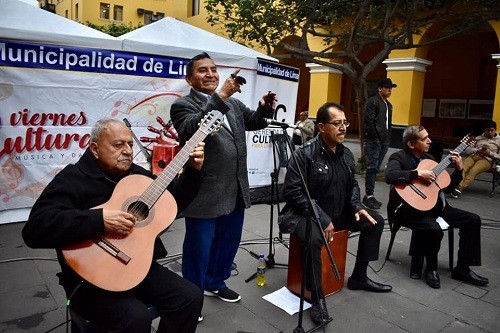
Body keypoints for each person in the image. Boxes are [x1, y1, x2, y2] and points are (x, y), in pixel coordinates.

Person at [22, 118, 206, 333]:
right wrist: (99, 220)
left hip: (136, 265)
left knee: (190, 297)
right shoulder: (72, 179)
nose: (127, 151)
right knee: (136, 318)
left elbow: (170, 205)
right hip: (89, 277)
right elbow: (35, 229)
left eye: (129, 144)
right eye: (118, 145)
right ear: (95, 148)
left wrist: (193, 171)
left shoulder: (138, 175)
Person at [170, 52, 276, 304]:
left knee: (228, 244)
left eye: (213, 69)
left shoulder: (234, 105)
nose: (210, 74)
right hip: (204, 192)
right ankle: (191, 299)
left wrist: (264, 108)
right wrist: (220, 97)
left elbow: (254, 122)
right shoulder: (183, 105)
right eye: (202, 70)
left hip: (235, 188)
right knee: (199, 250)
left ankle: (215, 282)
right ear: (189, 78)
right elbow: (191, 129)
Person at [282, 102, 392, 326]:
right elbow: (293, 192)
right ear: (321, 127)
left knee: (375, 221)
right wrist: (322, 218)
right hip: (305, 214)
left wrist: (357, 206)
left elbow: (352, 185)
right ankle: (317, 298)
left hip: (339, 211)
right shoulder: (304, 154)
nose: (343, 128)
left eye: (345, 123)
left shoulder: (347, 154)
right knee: (313, 238)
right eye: (337, 123)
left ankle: (360, 277)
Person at [385, 125, 489, 289]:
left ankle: (463, 268)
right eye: (425, 139)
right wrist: (417, 174)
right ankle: (431, 269)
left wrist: (459, 169)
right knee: (434, 229)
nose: (430, 141)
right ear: (412, 144)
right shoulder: (398, 157)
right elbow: (390, 176)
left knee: (473, 220)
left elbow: (446, 187)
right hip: (411, 210)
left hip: (437, 206)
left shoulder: (430, 158)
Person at [363, 77, 397, 209]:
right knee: (371, 168)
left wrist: (387, 139)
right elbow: (369, 122)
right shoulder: (372, 102)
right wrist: (375, 139)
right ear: (380, 88)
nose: (389, 90)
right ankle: (369, 196)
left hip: (384, 141)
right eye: (387, 87)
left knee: (375, 168)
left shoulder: (388, 105)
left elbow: (388, 123)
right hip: (374, 141)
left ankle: (369, 195)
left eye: (391, 88)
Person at [451, 120, 500, 198]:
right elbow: (467, 150)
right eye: (488, 130)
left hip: (487, 160)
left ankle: (460, 188)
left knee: (473, 170)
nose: (490, 132)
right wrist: (477, 150)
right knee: (462, 167)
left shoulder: (499, 140)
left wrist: (489, 153)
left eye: (492, 130)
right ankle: (458, 186)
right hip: (474, 156)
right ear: (484, 130)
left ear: (495, 130)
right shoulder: (479, 138)